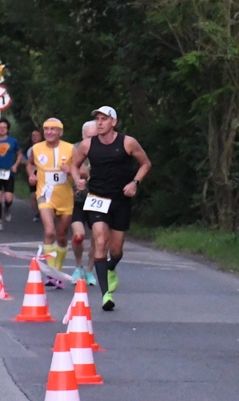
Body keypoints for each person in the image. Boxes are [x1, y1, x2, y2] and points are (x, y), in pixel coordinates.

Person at [71, 106, 151, 311]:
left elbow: (145, 164)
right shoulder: (88, 145)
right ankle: (105, 295)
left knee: (116, 251)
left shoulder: (127, 142)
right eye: (97, 119)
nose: (99, 122)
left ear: (113, 122)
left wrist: (135, 183)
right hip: (97, 198)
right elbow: (74, 164)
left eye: (104, 119)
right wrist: (78, 179)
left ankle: (111, 267)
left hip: (120, 200)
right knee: (99, 241)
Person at [26, 118, 75, 288]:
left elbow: (82, 171)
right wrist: (31, 175)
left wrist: (70, 171)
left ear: (60, 132)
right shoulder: (36, 148)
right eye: (46, 129)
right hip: (44, 194)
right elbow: (30, 163)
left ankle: (58, 271)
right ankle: (51, 272)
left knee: (62, 236)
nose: (49, 132)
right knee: (49, 232)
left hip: (65, 197)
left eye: (53, 129)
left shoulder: (70, 148)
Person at [70, 120, 98, 285]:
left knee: (97, 237)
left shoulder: (105, 149)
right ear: (82, 135)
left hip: (97, 199)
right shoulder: (73, 149)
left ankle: (89, 270)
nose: (91, 140)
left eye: (94, 136)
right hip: (77, 198)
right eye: (88, 136)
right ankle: (78, 266)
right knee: (78, 235)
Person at [26, 129, 43, 222]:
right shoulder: (30, 150)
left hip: (43, 173)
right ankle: (36, 214)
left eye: (37, 135)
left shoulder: (45, 147)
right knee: (33, 195)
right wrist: (30, 174)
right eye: (33, 136)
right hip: (34, 172)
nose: (35, 137)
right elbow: (28, 162)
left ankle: (45, 211)